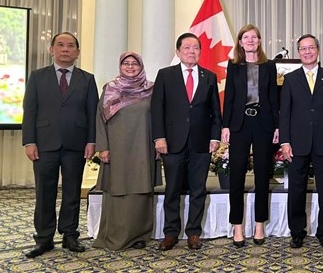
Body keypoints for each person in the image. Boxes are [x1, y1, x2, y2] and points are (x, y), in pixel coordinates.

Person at [21, 32, 99, 258]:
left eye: (71, 46)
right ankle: (44, 238)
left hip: (76, 143)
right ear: (51, 50)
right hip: (44, 144)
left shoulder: (87, 79)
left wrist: (91, 141)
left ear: (77, 52)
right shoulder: (37, 76)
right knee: (44, 192)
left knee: (72, 191)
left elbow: (91, 113)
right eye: (60, 45)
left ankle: (70, 234)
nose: (65, 49)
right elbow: (30, 111)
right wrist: (29, 141)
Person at [151, 32, 222, 251]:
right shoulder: (165, 75)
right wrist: (159, 137)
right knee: (172, 189)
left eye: (195, 48)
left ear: (200, 51)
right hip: (172, 143)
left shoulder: (209, 76)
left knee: (198, 189)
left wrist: (214, 136)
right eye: (187, 48)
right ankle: (171, 232)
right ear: (178, 51)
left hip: (201, 143)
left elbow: (214, 112)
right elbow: (157, 109)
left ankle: (193, 233)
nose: (191, 52)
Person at [279, 34, 323, 249]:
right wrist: (285, 141)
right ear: (299, 53)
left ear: (318, 50)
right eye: (303, 49)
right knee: (296, 188)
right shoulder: (290, 79)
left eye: (311, 48)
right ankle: (297, 232)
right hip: (297, 143)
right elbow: (285, 113)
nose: (307, 52)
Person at [92, 52, 160, 250]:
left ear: (141, 66)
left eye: (134, 64)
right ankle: (116, 236)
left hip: (143, 147)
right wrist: (102, 147)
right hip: (117, 148)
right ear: (120, 66)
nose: (130, 67)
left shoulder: (151, 89)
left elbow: (158, 117)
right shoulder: (110, 89)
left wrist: (158, 143)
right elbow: (99, 119)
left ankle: (139, 235)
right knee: (118, 190)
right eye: (126, 64)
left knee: (141, 190)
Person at [221, 24, 280, 248]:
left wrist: (276, 126)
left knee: (262, 176)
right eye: (246, 37)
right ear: (240, 42)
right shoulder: (234, 65)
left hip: (263, 124)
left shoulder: (269, 66)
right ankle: (237, 226)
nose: (250, 40)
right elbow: (229, 98)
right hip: (239, 124)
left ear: (259, 41)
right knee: (236, 176)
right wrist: (226, 125)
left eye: (254, 37)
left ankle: (259, 225)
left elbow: (274, 98)